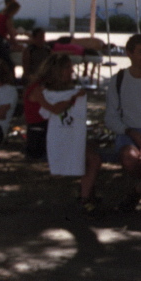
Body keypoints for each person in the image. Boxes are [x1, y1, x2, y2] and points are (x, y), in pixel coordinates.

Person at [31, 53, 102, 215]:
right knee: (93, 159)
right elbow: (52, 109)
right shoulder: (42, 91)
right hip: (47, 139)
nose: (72, 70)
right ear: (58, 70)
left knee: (93, 157)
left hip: (70, 138)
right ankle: (85, 198)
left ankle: (86, 196)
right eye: (68, 67)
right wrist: (71, 99)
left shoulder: (71, 91)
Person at [104, 33, 141, 212]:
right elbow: (110, 117)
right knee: (130, 158)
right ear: (129, 53)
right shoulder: (118, 80)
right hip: (129, 133)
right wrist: (130, 132)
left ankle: (136, 191)